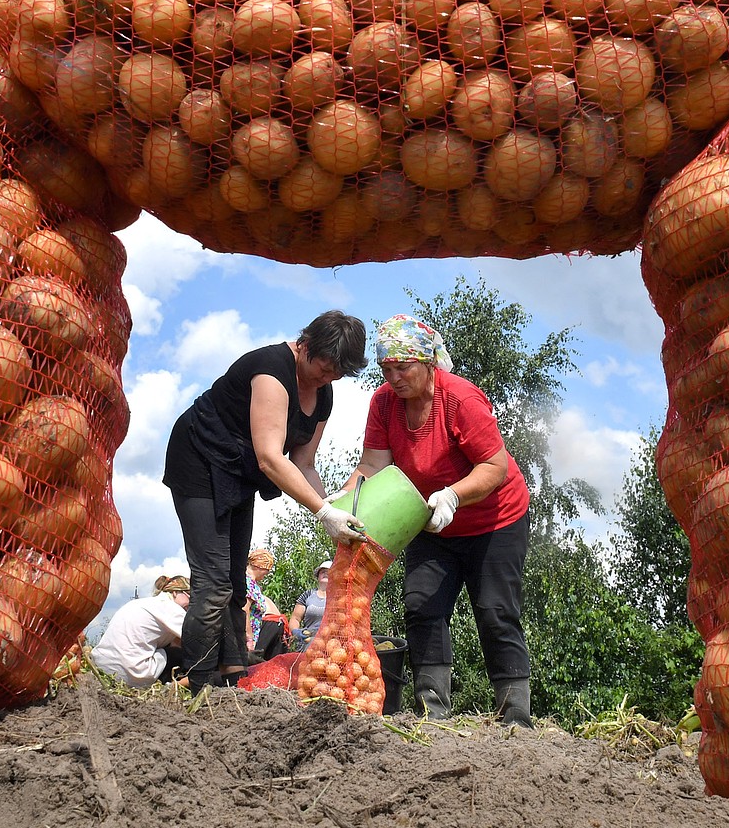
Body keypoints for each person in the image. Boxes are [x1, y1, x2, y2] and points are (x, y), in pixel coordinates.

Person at [340, 314, 534, 728]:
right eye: (386, 369)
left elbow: (493, 466)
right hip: (431, 526)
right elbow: (371, 466)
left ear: (427, 361)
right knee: (421, 605)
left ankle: (515, 717)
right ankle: (433, 714)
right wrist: (339, 504)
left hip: (494, 520)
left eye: (402, 367)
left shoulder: (461, 400)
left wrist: (453, 495)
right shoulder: (384, 403)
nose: (394, 378)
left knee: (495, 610)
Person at [162, 310, 368, 693]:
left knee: (235, 581)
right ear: (305, 345)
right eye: (323, 368)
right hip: (199, 459)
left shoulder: (324, 394)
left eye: (336, 374)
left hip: (236, 472)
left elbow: (303, 464)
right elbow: (271, 458)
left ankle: (232, 674)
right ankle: (196, 683)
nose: (326, 379)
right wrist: (322, 512)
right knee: (212, 581)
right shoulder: (272, 369)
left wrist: (335, 510)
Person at [91, 575, 191, 689]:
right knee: (178, 654)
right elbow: (197, 638)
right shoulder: (172, 609)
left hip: (101, 667)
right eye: (190, 597)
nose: (191, 605)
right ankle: (171, 686)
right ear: (175, 593)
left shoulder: (142, 604)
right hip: (128, 674)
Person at [244, 548, 287, 662]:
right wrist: (249, 638)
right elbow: (245, 609)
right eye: (266, 570)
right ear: (259, 566)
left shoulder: (253, 583)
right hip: (247, 638)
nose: (267, 574)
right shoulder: (248, 582)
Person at [289, 560, 331, 645]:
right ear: (318, 576)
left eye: (329, 572)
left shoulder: (338, 597)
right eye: (323, 572)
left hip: (331, 644)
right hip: (308, 643)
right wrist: (295, 631)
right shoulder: (308, 595)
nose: (326, 574)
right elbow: (295, 618)